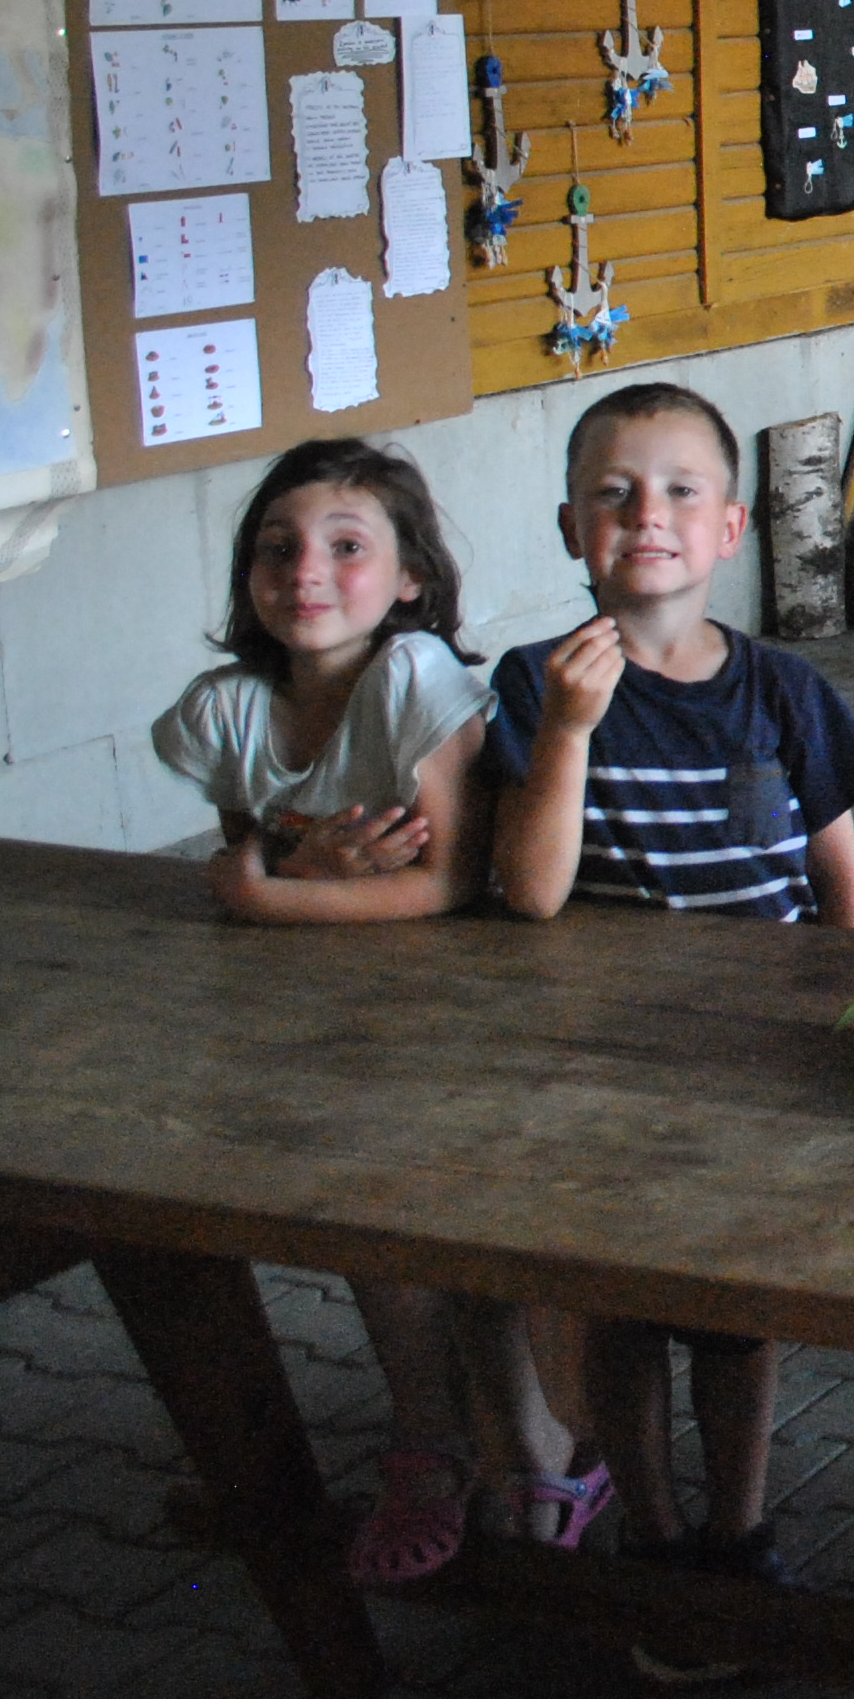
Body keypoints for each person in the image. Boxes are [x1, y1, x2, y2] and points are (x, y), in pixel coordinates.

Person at [487, 384, 854, 1667]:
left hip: (758, 1062)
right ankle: (655, 1536)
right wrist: (569, 730)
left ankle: (738, 1527)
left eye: (677, 491)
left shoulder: (784, 687)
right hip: (603, 1062)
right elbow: (530, 893)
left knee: (735, 1303)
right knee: (617, 1305)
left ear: (730, 528)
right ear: (570, 528)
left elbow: (836, 874)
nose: (644, 515)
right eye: (611, 493)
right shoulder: (536, 684)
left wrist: (846, 1008)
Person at [151, 441, 596, 1580]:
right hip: (326, 1020)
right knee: (369, 1239)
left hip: (464, 1012)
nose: (305, 570)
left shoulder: (412, 679)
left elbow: (449, 883)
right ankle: (429, 1439)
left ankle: (537, 1445)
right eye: (277, 547)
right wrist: (290, 870)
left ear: (409, 579)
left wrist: (269, 897)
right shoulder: (228, 709)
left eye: (346, 547)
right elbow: (254, 842)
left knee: (466, 1234)